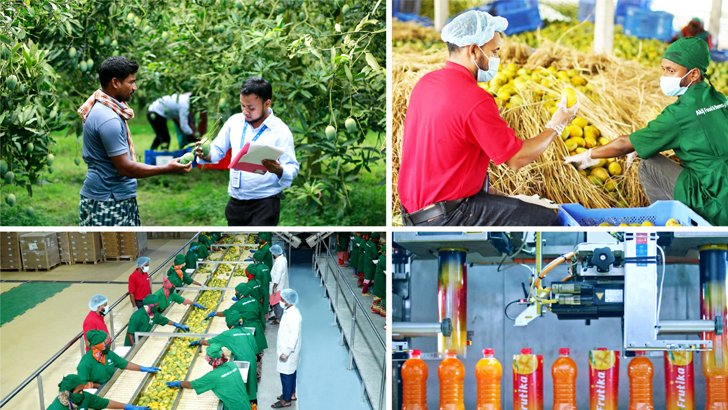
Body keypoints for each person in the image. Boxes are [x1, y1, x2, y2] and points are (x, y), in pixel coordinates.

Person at [397, 11, 578, 226]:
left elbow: (442, 149)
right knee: (547, 219)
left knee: (508, 206)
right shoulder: (475, 99)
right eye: (494, 51)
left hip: (413, 211)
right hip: (446, 216)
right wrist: (557, 124)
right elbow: (516, 159)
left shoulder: (425, 83)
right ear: (474, 49)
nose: (497, 59)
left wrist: (483, 193)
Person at [565, 37, 728, 226]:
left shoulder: (679, 114)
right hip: (722, 184)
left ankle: (669, 228)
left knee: (648, 164)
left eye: (672, 71)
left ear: (693, 74)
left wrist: (589, 155)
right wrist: (644, 142)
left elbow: (623, 144)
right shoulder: (720, 99)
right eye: (664, 70)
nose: (665, 76)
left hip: (716, 205)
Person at [77, 56, 191, 226]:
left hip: (109, 195)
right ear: (115, 83)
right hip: (109, 200)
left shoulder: (100, 106)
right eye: (131, 82)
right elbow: (124, 167)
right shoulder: (109, 119)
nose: (135, 87)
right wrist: (166, 168)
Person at [194, 77, 300, 226]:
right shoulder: (234, 122)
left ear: (267, 103)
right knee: (236, 242)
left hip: (265, 202)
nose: (245, 111)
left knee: (258, 243)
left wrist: (278, 169)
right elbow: (217, 149)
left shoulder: (281, 131)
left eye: (251, 108)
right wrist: (205, 153)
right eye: (243, 106)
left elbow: (292, 167)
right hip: (235, 201)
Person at [188, 310, 259, 407]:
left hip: (241, 361)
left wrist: (198, 342)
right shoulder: (247, 331)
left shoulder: (227, 334)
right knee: (250, 385)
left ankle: (250, 404)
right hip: (252, 359)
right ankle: (252, 404)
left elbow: (210, 342)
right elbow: (255, 348)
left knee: (243, 385)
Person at [206, 282, 267, 381]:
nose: (236, 293)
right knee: (257, 351)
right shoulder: (254, 300)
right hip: (257, 326)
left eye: (236, 292)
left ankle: (252, 375)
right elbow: (260, 313)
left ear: (242, 292)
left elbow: (227, 313)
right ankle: (258, 373)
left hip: (247, 326)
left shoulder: (238, 304)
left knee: (248, 349)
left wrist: (214, 313)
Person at [166, 343, 250, 410]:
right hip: (245, 401)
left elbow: (191, 385)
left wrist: (179, 383)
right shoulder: (232, 365)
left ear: (213, 361)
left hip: (234, 407)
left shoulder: (212, 376)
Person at [77, 330, 161, 386]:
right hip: (95, 391)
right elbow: (81, 383)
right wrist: (96, 385)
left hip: (110, 383)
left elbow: (124, 364)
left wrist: (143, 368)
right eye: (105, 343)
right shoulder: (85, 362)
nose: (108, 344)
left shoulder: (108, 354)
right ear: (97, 345)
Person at [47, 374, 149, 410]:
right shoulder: (56, 408)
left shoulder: (84, 397)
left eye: (82, 390)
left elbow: (105, 403)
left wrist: (128, 407)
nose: (82, 393)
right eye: (78, 391)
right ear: (68, 393)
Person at [272, 289, 302, 409]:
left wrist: (287, 352)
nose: (280, 301)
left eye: (282, 300)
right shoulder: (289, 311)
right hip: (288, 349)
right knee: (292, 373)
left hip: (288, 351)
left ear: (289, 301)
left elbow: (294, 335)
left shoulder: (293, 315)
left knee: (286, 375)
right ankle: (291, 394)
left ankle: (286, 400)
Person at [269, 244, 288, 324]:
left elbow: (278, 275)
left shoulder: (280, 262)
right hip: (277, 284)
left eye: (273, 253)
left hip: (277, 285)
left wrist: (274, 286)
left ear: (275, 253)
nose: (272, 254)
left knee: (277, 302)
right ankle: (277, 315)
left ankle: (279, 319)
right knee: (276, 302)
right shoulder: (282, 259)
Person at [372, 251, 386, 317]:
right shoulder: (384, 259)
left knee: (378, 292)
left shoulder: (381, 257)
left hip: (379, 277)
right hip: (381, 278)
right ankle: (382, 310)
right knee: (382, 293)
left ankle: (376, 308)